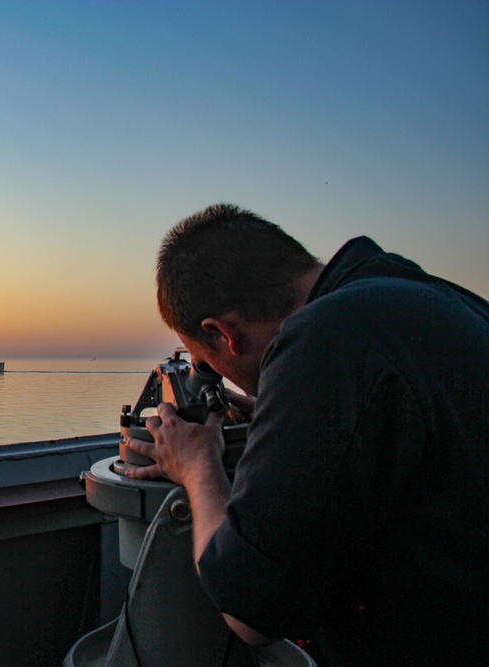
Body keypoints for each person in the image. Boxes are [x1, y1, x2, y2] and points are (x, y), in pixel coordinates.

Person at [123, 204, 489, 665]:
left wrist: (197, 469)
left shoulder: (321, 340)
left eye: (204, 359)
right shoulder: (431, 298)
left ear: (224, 334)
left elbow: (251, 611)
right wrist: (286, 411)